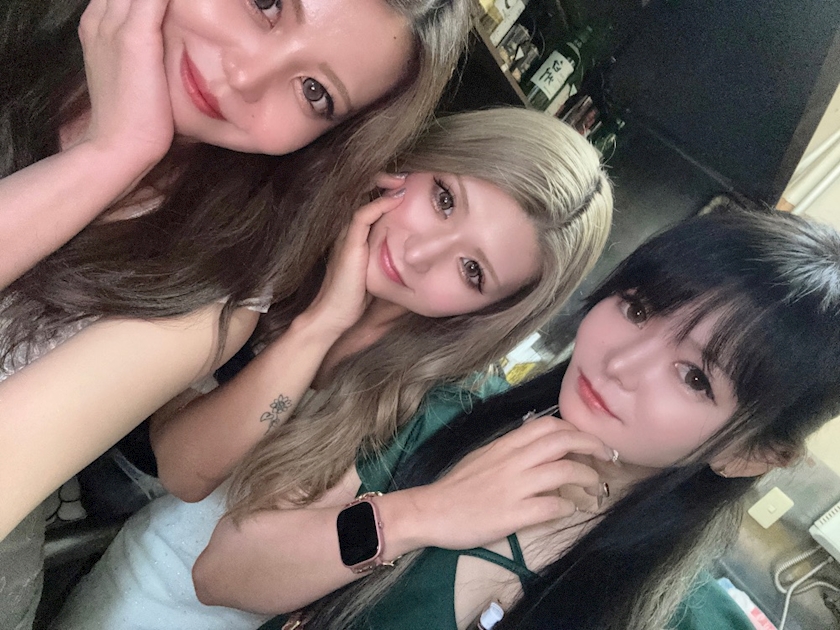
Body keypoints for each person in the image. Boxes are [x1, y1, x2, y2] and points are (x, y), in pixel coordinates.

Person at [48, 108, 614, 630]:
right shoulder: (277, 229)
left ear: (489, 313)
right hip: (108, 550)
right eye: (444, 199)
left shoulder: (433, 404)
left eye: (471, 270)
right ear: (418, 159)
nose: (419, 255)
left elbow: (195, 501)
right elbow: (181, 462)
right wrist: (319, 324)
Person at [0, 1, 471, 627]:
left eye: (314, 91)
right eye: (266, 2)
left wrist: (109, 156)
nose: (245, 76)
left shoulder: (216, 286)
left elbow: (183, 473)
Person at [189, 208, 840, 630]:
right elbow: (221, 572)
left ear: (752, 454)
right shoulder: (440, 412)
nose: (620, 362)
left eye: (695, 376)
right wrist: (421, 514)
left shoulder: (686, 619)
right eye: (638, 308)